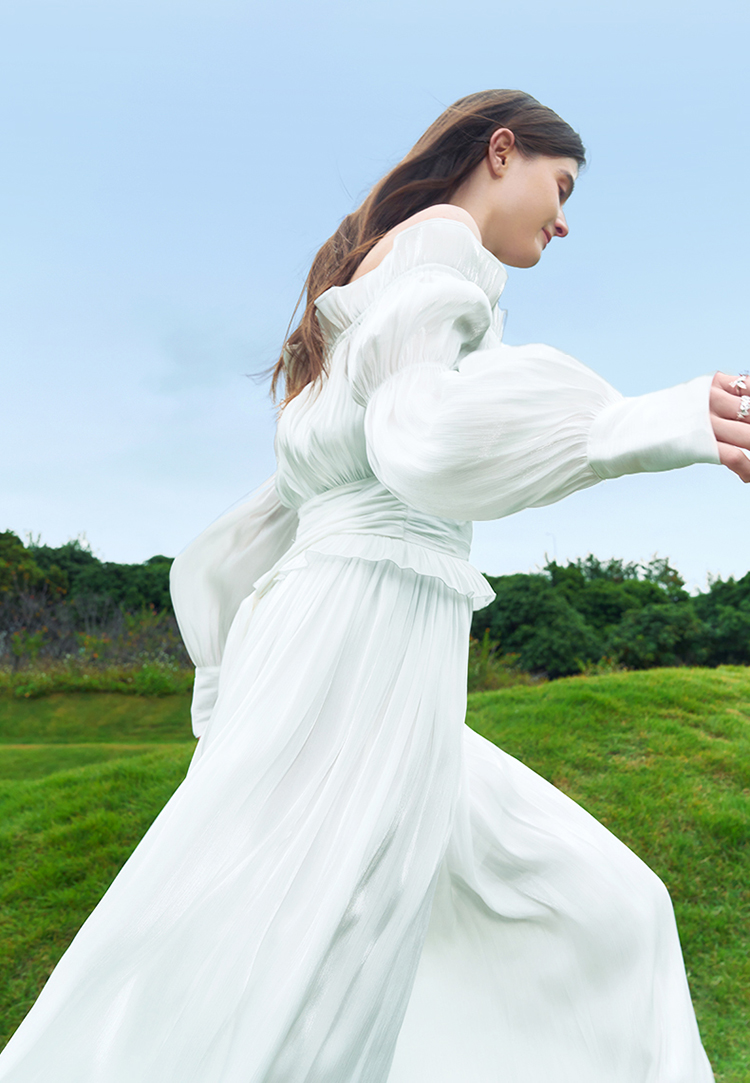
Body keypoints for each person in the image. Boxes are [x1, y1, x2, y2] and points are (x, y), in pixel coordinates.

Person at [1, 88, 746, 1083]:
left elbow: (282, 508)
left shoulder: (377, 275)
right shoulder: (441, 245)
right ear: (502, 150)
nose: (564, 219)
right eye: (562, 187)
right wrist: (639, 425)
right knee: (321, 952)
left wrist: (235, 677)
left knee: (606, 904)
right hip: (364, 640)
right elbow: (421, 438)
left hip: (342, 637)